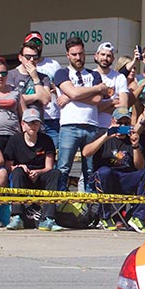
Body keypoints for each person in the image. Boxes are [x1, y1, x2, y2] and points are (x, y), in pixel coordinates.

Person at [53, 36, 111, 191]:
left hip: (92, 126)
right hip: (69, 126)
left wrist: (71, 96)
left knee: (90, 170)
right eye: (74, 54)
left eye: (81, 53)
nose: (78, 57)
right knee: (63, 167)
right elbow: (75, 92)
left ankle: (89, 207)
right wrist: (96, 88)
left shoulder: (94, 74)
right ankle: (59, 204)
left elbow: (97, 99)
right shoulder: (61, 73)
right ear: (68, 55)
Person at [82, 107, 145, 233]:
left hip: (126, 178)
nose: (122, 126)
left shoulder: (132, 139)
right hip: (106, 178)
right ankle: (105, 217)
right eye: (119, 123)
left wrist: (135, 145)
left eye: (126, 123)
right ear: (113, 121)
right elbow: (86, 153)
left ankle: (138, 217)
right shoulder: (102, 134)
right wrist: (106, 136)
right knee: (104, 171)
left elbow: (140, 167)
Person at [4, 109, 63, 231]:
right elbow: (8, 166)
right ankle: (17, 216)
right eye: (30, 123)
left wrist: (38, 172)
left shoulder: (46, 140)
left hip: (41, 175)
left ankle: (48, 218)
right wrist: (19, 166)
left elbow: (49, 166)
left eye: (36, 123)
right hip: (23, 176)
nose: (33, 126)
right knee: (17, 172)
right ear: (23, 124)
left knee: (55, 173)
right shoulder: (15, 140)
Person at [93, 41, 131, 132]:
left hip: (114, 128)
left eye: (109, 56)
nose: (105, 58)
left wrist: (99, 108)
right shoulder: (89, 75)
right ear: (96, 56)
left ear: (113, 58)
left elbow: (123, 107)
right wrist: (112, 101)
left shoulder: (119, 77)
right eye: (103, 54)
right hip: (94, 127)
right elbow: (92, 108)